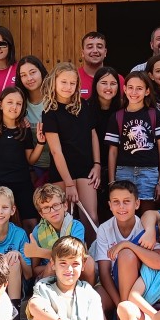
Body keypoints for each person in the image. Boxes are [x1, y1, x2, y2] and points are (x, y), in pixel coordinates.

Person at [92, 179, 155, 320]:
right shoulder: (105, 228)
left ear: (137, 204)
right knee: (94, 299)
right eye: (116, 202)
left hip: (138, 286)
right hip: (113, 285)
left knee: (127, 255)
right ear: (110, 205)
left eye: (127, 202)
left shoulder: (144, 227)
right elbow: (104, 273)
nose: (121, 207)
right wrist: (120, 304)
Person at [41, 62, 100, 227]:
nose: (68, 86)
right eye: (63, 82)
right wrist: (69, 183)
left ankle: (93, 252)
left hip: (85, 168)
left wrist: (97, 164)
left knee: (91, 218)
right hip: (62, 173)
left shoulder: (84, 105)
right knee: (64, 220)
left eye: (72, 83)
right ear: (55, 82)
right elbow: (55, 151)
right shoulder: (49, 112)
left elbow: (93, 135)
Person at [0, 87, 44, 226]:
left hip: (22, 183)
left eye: (19, 103)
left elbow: (31, 159)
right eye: (10, 102)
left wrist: (40, 143)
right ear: (1, 104)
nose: (14, 107)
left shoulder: (24, 129)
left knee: (31, 223)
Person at [106, 71, 160, 212]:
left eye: (139, 88)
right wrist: (111, 181)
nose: (134, 92)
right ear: (124, 89)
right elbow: (113, 151)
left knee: (148, 215)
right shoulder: (117, 116)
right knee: (124, 213)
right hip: (123, 172)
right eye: (130, 87)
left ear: (147, 91)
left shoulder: (154, 115)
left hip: (149, 172)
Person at [25, 183, 92, 284]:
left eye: (56, 205)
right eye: (46, 208)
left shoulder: (76, 226)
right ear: (41, 214)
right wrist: (56, 265)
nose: (52, 211)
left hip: (74, 272)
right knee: (52, 266)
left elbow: (73, 256)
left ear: (65, 206)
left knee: (89, 261)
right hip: (49, 276)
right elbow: (35, 270)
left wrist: (41, 252)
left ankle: (86, 292)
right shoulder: (37, 232)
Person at [90, 66, 122, 215]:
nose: (108, 87)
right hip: (92, 167)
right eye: (104, 83)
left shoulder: (124, 109)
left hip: (119, 167)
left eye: (113, 83)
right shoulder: (85, 108)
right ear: (95, 84)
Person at [16, 55, 52, 187]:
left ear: (41, 72)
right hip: (31, 170)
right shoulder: (18, 104)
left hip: (58, 167)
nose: (29, 78)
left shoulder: (55, 99)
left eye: (32, 72)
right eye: (23, 75)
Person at [77, 31, 123, 98]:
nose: (95, 51)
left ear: (105, 52)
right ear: (82, 53)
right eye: (90, 47)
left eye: (99, 47)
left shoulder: (118, 79)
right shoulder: (74, 78)